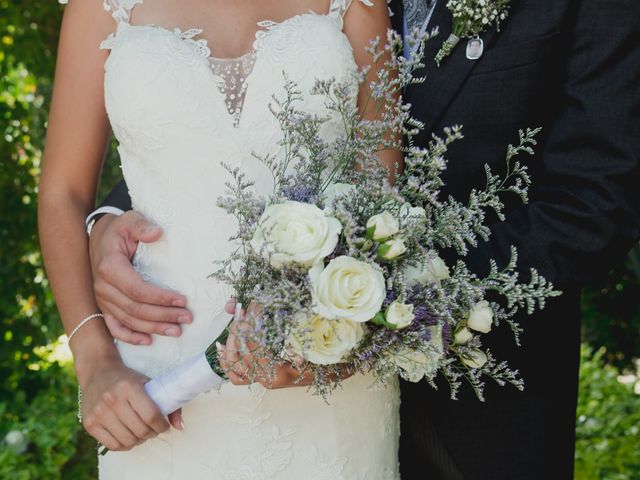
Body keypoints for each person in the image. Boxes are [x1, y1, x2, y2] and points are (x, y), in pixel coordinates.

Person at [85, 0, 640, 478]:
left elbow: (592, 206)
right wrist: (106, 218)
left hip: (479, 408)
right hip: (237, 373)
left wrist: (374, 309)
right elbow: (217, 105)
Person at [38, 0, 405, 478]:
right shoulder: (100, 6)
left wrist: (339, 352)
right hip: (158, 388)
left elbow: (384, 205)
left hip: (326, 381)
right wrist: (93, 360)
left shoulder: (359, 4)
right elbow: (62, 194)